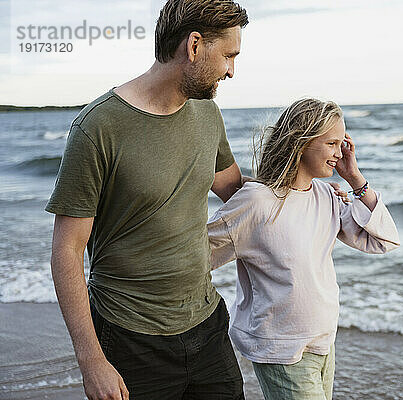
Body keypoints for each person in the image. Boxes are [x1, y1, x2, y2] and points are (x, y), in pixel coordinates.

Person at [45, 1, 250, 399]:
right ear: (193, 46)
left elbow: (236, 190)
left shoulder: (207, 113)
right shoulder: (98, 128)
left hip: (206, 326)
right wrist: (92, 360)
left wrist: (310, 181)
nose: (231, 70)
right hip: (129, 340)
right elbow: (66, 252)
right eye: (228, 55)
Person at [207, 98, 400, 400]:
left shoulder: (326, 195)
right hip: (281, 350)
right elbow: (196, 256)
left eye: (342, 143)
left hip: (324, 343)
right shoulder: (257, 201)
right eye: (332, 143)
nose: (340, 153)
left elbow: (382, 240)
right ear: (302, 143)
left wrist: (355, 179)